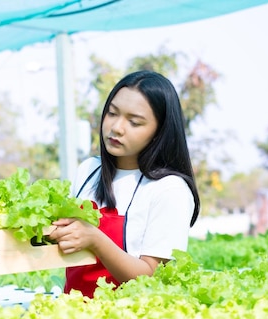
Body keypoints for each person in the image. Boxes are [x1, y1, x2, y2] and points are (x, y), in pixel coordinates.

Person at [49, 70, 200, 298]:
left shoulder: (170, 190)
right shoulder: (89, 170)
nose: (117, 127)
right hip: (74, 316)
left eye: (134, 122)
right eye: (112, 113)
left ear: (159, 132)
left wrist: (96, 239)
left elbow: (150, 277)